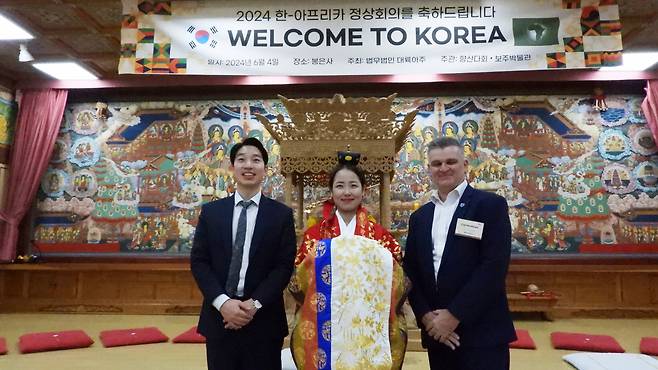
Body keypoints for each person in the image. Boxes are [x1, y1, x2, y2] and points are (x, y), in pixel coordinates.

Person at [404, 137, 516, 370]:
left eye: (451, 161)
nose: (444, 168)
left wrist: (453, 315)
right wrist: (426, 317)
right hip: (438, 333)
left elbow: (493, 267)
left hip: (481, 332)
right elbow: (411, 271)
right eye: (436, 164)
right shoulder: (420, 217)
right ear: (429, 169)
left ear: (465, 164)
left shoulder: (489, 206)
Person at [290, 150, 407, 369]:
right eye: (340, 186)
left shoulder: (379, 235)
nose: (346, 192)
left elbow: (398, 277)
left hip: (367, 324)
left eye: (353, 185)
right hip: (326, 321)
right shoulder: (316, 234)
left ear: (363, 191)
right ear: (331, 191)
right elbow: (299, 281)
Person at [190, 137, 296, 370]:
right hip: (220, 318)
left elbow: (283, 266)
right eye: (242, 160)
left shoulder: (281, 215)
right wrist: (223, 303)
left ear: (265, 170)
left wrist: (254, 305)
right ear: (232, 168)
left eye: (256, 160)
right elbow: (199, 262)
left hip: (264, 320)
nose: (248, 165)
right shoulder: (211, 213)